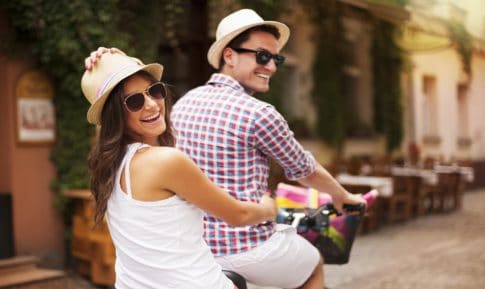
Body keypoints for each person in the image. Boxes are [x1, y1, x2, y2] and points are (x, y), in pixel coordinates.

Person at [171, 9, 367, 289]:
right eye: (262, 56)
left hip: (194, 245)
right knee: (313, 262)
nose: (272, 67)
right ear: (229, 56)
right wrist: (342, 196)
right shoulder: (259, 113)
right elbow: (304, 169)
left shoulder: (185, 103)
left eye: (276, 58)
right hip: (244, 245)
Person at [81, 49, 278, 289]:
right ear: (115, 115)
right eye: (134, 101)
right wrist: (269, 208)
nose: (152, 104)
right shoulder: (167, 162)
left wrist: (113, 61)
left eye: (154, 91)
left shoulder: (111, 166)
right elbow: (240, 215)